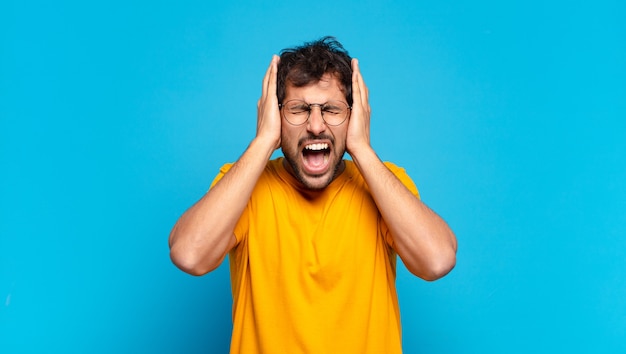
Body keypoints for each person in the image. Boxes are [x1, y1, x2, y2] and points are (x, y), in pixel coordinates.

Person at [169, 36, 457, 354]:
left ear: (354, 115)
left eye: (332, 110)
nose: (316, 125)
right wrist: (264, 140)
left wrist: (360, 147)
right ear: (275, 116)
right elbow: (189, 255)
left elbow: (437, 261)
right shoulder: (243, 187)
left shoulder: (385, 186)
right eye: (299, 109)